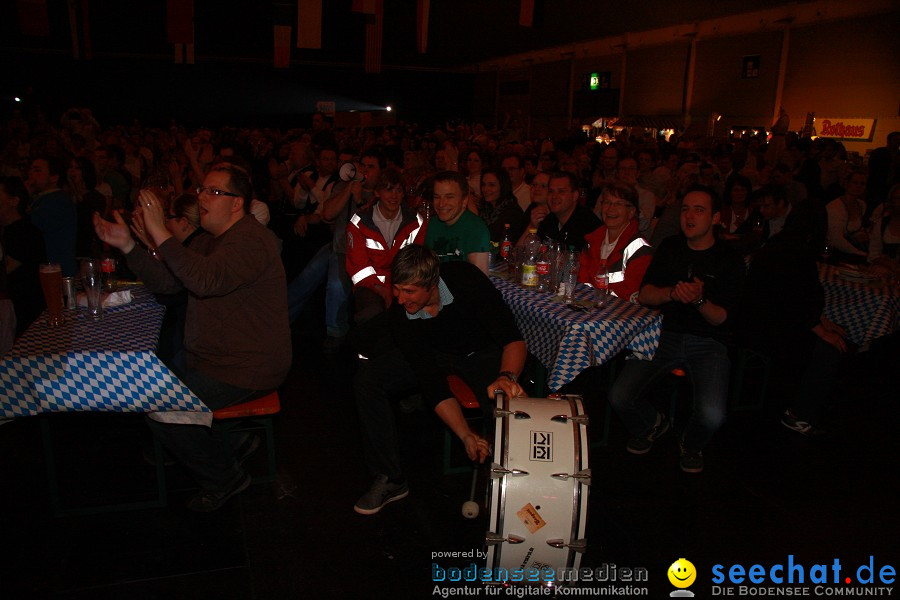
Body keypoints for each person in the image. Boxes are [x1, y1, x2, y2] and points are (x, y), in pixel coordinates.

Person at [93, 163, 291, 511]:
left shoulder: (251, 240)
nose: (202, 197)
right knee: (154, 387)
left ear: (237, 203)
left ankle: (226, 478)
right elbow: (169, 283)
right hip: (216, 362)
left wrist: (159, 231)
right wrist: (128, 246)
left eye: (214, 191)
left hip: (248, 367)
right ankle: (234, 444)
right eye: (202, 189)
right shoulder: (207, 240)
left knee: (161, 409)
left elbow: (204, 281)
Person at [352, 245, 525, 515]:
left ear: (432, 285)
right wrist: (465, 434)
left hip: (477, 350)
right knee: (368, 379)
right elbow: (429, 378)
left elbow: (512, 339)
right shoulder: (402, 312)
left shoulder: (467, 280)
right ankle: (392, 479)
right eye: (397, 289)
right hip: (433, 351)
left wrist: (506, 377)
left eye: (408, 291)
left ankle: (510, 483)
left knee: (505, 405)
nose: (399, 299)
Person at [608, 186, 745, 473]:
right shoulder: (670, 247)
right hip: (663, 334)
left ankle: (690, 443)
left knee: (712, 415)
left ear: (716, 218)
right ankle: (653, 424)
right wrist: (673, 293)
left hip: (709, 341)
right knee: (619, 396)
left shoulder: (729, 259)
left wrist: (698, 301)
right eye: (685, 209)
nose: (689, 216)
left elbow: (721, 318)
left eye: (699, 210)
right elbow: (645, 295)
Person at [345, 168, 425, 322]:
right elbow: (359, 269)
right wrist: (383, 290)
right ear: (377, 193)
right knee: (373, 313)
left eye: (399, 190)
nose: (394, 196)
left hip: (403, 284)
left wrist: (400, 290)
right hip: (370, 286)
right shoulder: (359, 223)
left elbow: (415, 263)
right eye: (388, 190)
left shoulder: (416, 223)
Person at [578, 182, 652, 302]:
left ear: (631, 211)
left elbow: (631, 295)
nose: (611, 209)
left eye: (618, 204)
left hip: (620, 315)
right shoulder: (592, 240)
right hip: (588, 306)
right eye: (607, 203)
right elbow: (582, 281)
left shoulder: (640, 249)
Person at [0, 176, 46, 334]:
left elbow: (4, 272)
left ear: (14, 201)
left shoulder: (24, 233)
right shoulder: (8, 230)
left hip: (24, 315)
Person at [424, 170, 491, 274]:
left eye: (449, 197)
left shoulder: (476, 228)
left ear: (464, 201)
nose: (441, 204)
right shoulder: (433, 224)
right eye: (437, 197)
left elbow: (479, 280)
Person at [521, 171, 600, 252]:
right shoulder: (550, 220)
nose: (554, 196)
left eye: (561, 191)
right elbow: (522, 253)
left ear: (575, 196)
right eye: (551, 191)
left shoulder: (588, 225)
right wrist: (533, 226)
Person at [25, 156, 77, 277]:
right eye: (31, 170)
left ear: (54, 177)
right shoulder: (40, 198)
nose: (31, 174)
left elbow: (32, 229)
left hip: (56, 269)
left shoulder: (58, 201)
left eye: (37, 170)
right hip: (47, 268)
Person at [825, 169, 868, 263]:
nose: (858, 186)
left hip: (853, 248)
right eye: (855, 182)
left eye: (862, 184)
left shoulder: (862, 205)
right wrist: (858, 252)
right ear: (846, 184)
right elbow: (836, 239)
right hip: (835, 251)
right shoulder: (835, 207)